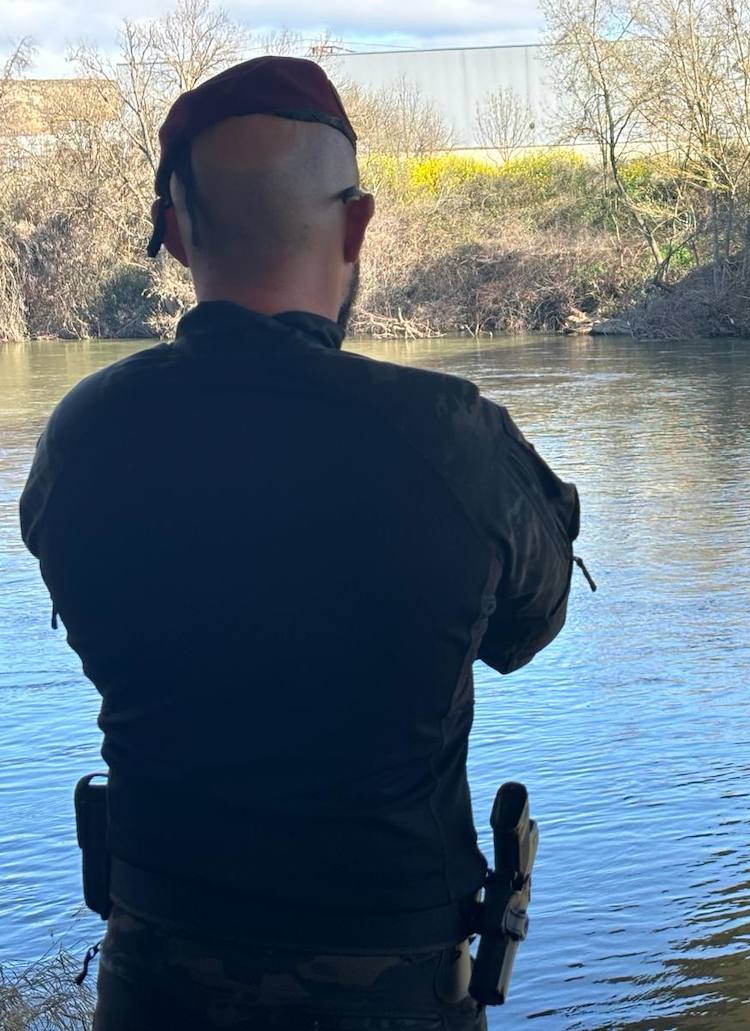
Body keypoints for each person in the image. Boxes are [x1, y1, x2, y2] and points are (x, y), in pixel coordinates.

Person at [19, 57, 583, 1031]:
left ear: (181, 229)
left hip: (152, 983)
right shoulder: (450, 438)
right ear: (356, 224)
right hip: (396, 994)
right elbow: (529, 629)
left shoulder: (82, 437)